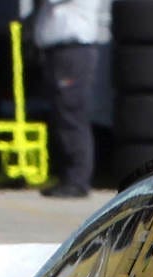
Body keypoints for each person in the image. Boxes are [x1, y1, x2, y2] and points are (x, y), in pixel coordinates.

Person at [29, 0, 106, 198]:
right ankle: (68, 176)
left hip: (72, 50)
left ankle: (77, 180)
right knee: (62, 115)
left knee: (71, 113)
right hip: (58, 51)